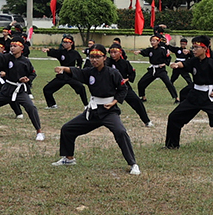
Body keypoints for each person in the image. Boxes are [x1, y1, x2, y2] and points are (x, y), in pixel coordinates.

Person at [51, 45, 140, 175]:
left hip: (109, 111)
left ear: (104, 57)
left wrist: (114, 102)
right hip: (93, 111)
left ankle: (133, 164)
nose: (94, 60)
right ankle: (69, 158)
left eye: (98, 57)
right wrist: (64, 68)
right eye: (92, 57)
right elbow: (77, 72)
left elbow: (123, 89)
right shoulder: (89, 72)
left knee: (120, 132)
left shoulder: (112, 72)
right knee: (67, 129)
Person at [164, 36, 213, 152]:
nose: (194, 50)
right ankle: (172, 145)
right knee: (174, 117)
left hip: (208, 96)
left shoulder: (212, 63)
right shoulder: (194, 61)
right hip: (194, 95)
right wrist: (176, 65)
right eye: (193, 47)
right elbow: (184, 64)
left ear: (205, 48)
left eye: (196, 47)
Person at [0, 38, 45, 140]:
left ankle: (39, 132)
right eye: (11, 46)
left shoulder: (25, 61)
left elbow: (32, 73)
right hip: (7, 89)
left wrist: (27, 79)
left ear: (21, 48)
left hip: (19, 91)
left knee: (31, 108)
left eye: (15, 46)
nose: (12, 48)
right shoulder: (7, 58)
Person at [43, 35, 87, 108]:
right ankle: (52, 105)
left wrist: (78, 68)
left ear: (71, 43)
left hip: (71, 75)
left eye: (67, 42)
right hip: (62, 75)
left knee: (81, 88)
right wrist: (48, 50)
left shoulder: (75, 53)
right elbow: (54, 51)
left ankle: (86, 105)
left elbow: (80, 61)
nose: (65, 44)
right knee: (47, 89)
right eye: (64, 42)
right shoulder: (61, 52)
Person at [137, 35, 179, 102]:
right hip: (152, 70)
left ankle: (176, 98)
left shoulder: (162, 50)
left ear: (158, 42)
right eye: (151, 41)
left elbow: (168, 58)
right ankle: (143, 97)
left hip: (160, 70)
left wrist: (164, 63)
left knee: (168, 83)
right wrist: (139, 52)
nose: (152, 42)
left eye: (154, 41)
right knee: (141, 83)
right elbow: (145, 51)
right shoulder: (150, 50)